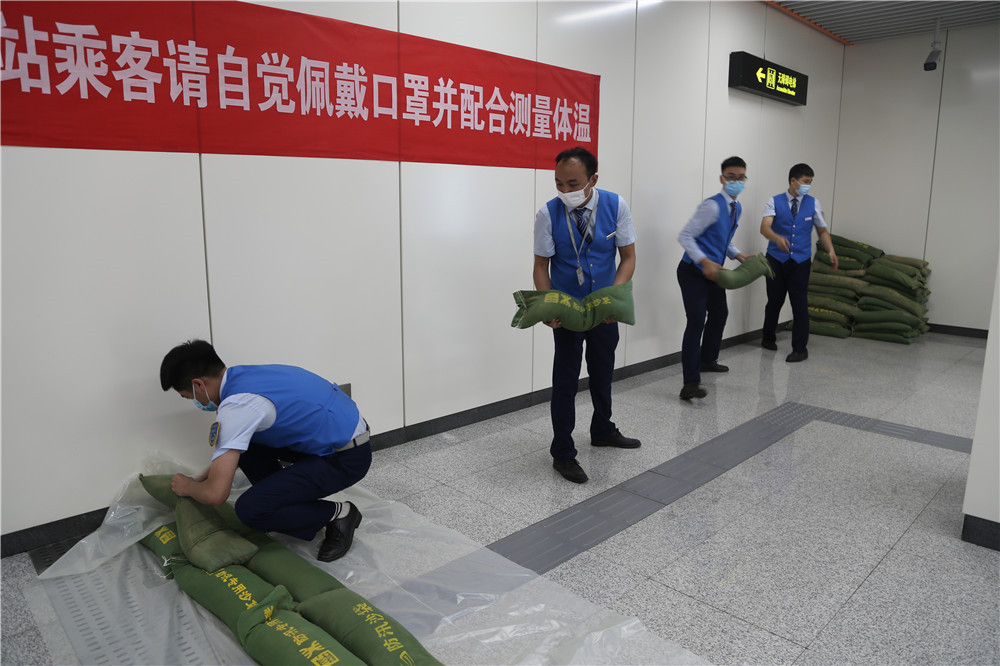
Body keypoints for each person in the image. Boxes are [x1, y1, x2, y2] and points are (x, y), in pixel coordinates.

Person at [159, 339, 371, 562]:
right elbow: (229, 448)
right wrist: (204, 477)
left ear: (199, 385)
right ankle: (282, 503)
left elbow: (215, 495)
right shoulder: (244, 376)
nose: (196, 402)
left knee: (250, 510)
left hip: (347, 457)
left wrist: (188, 487)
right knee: (246, 446)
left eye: (189, 397)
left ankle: (339, 514)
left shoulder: (237, 407)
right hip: (336, 436)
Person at [532, 146, 640, 484]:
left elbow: (628, 257)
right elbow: (541, 266)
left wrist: (613, 300)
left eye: (573, 184)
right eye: (558, 183)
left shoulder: (616, 205)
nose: (565, 191)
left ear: (593, 179)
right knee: (566, 381)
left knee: (603, 372)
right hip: (567, 310)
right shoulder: (547, 213)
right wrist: (548, 306)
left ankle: (603, 429)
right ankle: (563, 452)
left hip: (604, 309)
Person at [676, 156, 754, 401]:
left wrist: (739, 255)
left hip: (714, 272)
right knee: (696, 321)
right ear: (722, 179)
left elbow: (723, 239)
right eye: (731, 177)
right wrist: (704, 261)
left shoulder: (737, 208)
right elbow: (686, 236)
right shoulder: (711, 206)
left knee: (720, 313)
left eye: (740, 177)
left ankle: (707, 360)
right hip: (693, 271)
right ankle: (690, 383)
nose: (736, 181)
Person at [759, 163, 839, 362]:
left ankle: (800, 349)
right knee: (774, 301)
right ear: (793, 181)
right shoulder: (774, 201)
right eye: (805, 181)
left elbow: (822, 231)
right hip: (776, 260)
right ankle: (768, 338)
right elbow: (765, 227)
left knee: (799, 304)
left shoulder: (814, 203)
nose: (808, 186)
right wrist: (777, 238)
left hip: (801, 262)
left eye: (810, 182)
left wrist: (831, 250)